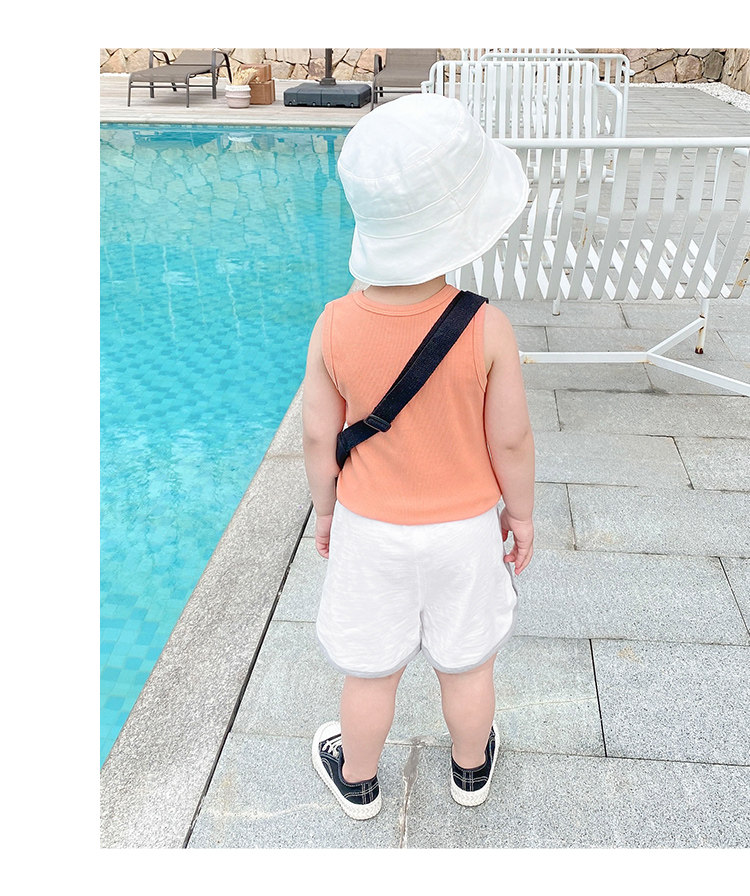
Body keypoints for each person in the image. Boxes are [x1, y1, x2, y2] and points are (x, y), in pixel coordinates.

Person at [302, 93, 534, 820]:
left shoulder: (334, 324)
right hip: (464, 530)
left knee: (371, 672)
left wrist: (326, 511)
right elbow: (511, 439)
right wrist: (521, 514)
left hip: (371, 527)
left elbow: (318, 438)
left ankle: (358, 780)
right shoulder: (486, 326)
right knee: (466, 664)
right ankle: (470, 771)